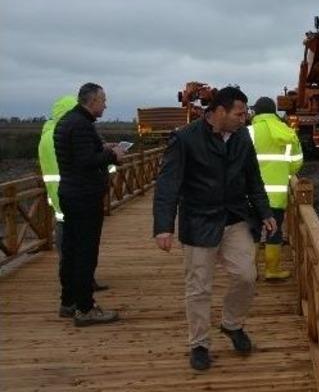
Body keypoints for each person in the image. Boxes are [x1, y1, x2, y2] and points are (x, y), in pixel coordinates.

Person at [153, 86, 276, 371]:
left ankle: (231, 324)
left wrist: (266, 212)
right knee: (199, 288)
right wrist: (163, 226)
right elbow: (168, 185)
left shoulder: (243, 136)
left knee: (247, 276)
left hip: (234, 218)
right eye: (239, 113)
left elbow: (253, 179)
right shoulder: (184, 139)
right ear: (219, 112)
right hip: (198, 221)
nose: (244, 119)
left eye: (246, 114)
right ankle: (198, 344)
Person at [53, 83, 125, 326]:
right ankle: (85, 309)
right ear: (92, 101)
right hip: (84, 196)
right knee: (85, 252)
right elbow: (85, 161)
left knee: (72, 251)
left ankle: (68, 302)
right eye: (103, 100)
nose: (106, 104)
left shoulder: (69, 122)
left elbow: (77, 156)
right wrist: (113, 155)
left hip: (71, 193)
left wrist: (101, 148)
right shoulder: (82, 125)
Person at [247, 96, 303, 280]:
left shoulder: (249, 132)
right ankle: (272, 270)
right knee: (274, 230)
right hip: (277, 194)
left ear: (256, 112)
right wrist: (284, 173)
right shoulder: (287, 132)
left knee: (252, 231)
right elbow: (297, 162)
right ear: (274, 112)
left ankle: (251, 271)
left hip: (251, 194)